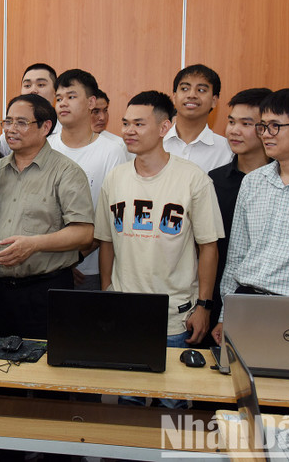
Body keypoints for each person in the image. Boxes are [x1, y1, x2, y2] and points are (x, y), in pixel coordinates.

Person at [95, 91, 223, 381]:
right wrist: (107, 292)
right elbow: (105, 242)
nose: (128, 131)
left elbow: (209, 247)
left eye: (139, 124)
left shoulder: (194, 178)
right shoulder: (115, 178)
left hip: (175, 317)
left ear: (164, 128)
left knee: (173, 405)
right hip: (124, 313)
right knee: (128, 401)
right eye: (126, 123)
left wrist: (204, 306)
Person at [212, 88, 289, 344]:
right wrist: (224, 314)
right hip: (247, 304)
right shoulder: (253, 182)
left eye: (275, 126)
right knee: (239, 382)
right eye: (263, 126)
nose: (265, 135)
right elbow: (237, 256)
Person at [0, 94, 94, 340]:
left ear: (45, 127)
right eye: (8, 121)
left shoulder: (67, 172)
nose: (11, 129)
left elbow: (84, 233)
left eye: (21, 123)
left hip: (45, 291)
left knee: (43, 370)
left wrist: (34, 244)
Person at [205, 88, 272, 344]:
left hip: (261, 300)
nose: (234, 130)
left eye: (246, 124)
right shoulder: (214, 179)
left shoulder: (281, 182)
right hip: (214, 296)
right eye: (231, 121)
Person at [50, 70, 127, 291]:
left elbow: (112, 218)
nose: (63, 103)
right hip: (46, 269)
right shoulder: (45, 146)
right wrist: (57, 264)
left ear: (91, 102)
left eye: (71, 97)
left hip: (93, 269)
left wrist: (73, 259)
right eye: (59, 98)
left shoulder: (112, 151)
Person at [164, 64, 232, 172]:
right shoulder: (155, 143)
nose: (192, 95)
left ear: (214, 101)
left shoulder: (227, 151)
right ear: (174, 97)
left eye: (201, 90)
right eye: (185, 88)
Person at [0, 63, 59, 155]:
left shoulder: (66, 132)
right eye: (27, 86)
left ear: (55, 92)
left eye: (41, 85)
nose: (33, 90)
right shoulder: (9, 135)